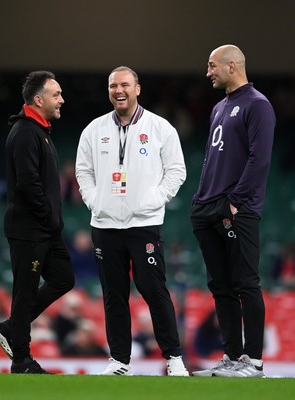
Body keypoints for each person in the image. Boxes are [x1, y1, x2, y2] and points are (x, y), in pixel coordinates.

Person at [75, 66, 188, 376]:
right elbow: (82, 171)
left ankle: (174, 357)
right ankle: (120, 361)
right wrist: (94, 200)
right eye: (113, 86)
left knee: (153, 289)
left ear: (137, 88)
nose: (118, 90)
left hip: (144, 223)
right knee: (113, 294)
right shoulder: (94, 130)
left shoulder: (160, 127)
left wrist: (154, 199)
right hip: (105, 224)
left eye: (124, 84)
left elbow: (177, 170)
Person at [190, 45, 275, 378]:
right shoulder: (219, 108)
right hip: (208, 205)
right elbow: (215, 158)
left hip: (237, 209)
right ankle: (231, 356)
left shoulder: (258, 105)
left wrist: (236, 201)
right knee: (220, 285)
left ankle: (252, 362)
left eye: (212, 66)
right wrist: (201, 200)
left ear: (231, 66)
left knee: (245, 283)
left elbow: (260, 158)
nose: (208, 72)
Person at [0, 70, 75, 374]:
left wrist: (51, 222)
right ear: (38, 100)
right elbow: (28, 185)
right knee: (24, 291)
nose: (61, 99)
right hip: (29, 228)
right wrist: (49, 217)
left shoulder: (39, 131)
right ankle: (21, 360)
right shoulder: (26, 132)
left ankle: (12, 327)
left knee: (64, 277)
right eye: (56, 94)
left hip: (44, 228)